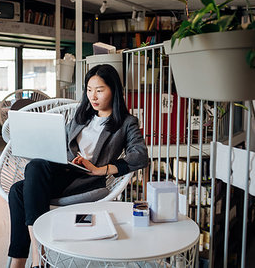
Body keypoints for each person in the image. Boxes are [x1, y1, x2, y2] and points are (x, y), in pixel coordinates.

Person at [8, 64, 149, 268]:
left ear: (114, 90)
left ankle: (29, 259)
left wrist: (101, 169)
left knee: (19, 189)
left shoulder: (126, 123)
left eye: (100, 90)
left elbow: (140, 156)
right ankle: (34, 256)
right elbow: (59, 141)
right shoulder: (81, 116)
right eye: (89, 90)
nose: (93, 96)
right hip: (60, 169)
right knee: (33, 170)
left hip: (86, 178)